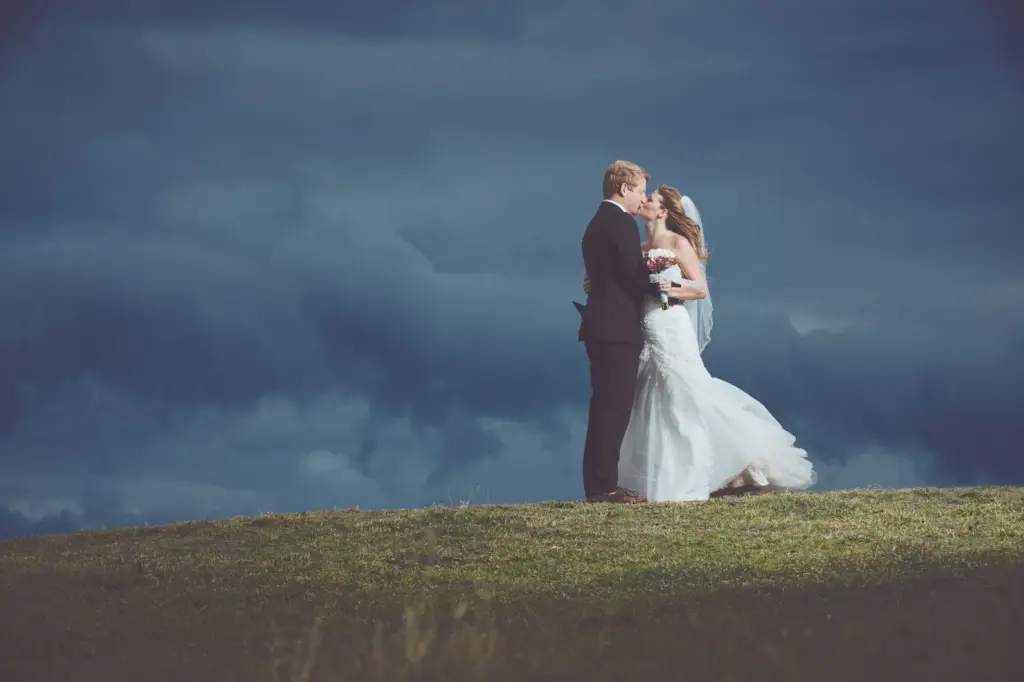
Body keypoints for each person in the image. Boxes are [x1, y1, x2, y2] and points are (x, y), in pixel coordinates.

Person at [592, 185, 816, 501]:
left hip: (672, 325)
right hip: (646, 326)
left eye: (651, 199)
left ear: (662, 211)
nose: (644, 201)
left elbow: (700, 289)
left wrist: (669, 288)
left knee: (686, 392)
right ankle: (657, 474)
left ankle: (723, 465)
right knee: (653, 397)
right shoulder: (640, 248)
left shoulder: (677, 243)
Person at [576, 161, 688, 504]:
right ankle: (604, 488)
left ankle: (600, 484)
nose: (641, 197)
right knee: (614, 408)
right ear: (624, 189)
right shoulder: (621, 223)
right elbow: (631, 276)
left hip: (600, 326)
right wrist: (663, 287)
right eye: (639, 190)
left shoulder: (596, 224)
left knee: (603, 407)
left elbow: (608, 275)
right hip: (616, 330)